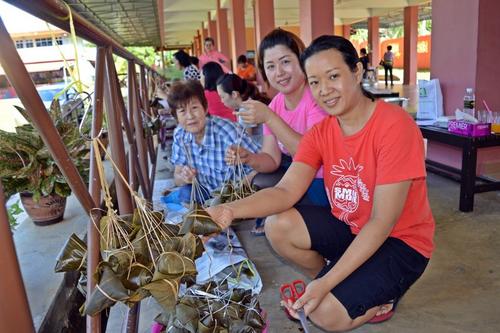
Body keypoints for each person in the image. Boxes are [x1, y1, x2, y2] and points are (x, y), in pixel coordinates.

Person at [206, 35, 435, 331]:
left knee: (324, 314)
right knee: (278, 225)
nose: (324, 90)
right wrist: (227, 210)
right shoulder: (322, 132)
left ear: (357, 72)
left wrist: (325, 283)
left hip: (400, 242)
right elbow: (286, 191)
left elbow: (381, 222)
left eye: (333, 76)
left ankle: (381, 296)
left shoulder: (394, 126)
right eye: (314, 82)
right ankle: (341, 280)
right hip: (352, 227)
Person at [225, 28, 329, 234]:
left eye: (286, 62)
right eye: (270, 66)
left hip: (324, 180)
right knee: (258, 182)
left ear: (302, 60)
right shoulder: (276, 104)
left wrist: (270, 118)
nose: (279, 72)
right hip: (299, 177)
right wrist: (248, 158)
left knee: (275, 215)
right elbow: (271, 160)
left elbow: (312, 156)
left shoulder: (317, 97)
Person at [167, 80, 260, 202]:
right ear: (176, 117)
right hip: (206, 192)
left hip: (236, 195)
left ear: (205, 108)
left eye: (194, 108)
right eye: (182, 111)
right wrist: (185, 177)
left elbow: (261, 164)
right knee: (185, 193)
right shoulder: (180, 134)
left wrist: (238, 190)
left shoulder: (229, 132)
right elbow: (177, 177)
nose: (190, 116)